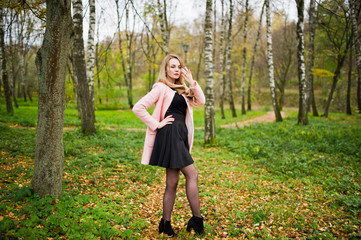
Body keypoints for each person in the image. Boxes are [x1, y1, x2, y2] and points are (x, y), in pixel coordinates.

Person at [132, 54, 206, 237]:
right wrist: (156, 124)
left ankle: (165, 223)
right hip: (170, 136)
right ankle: (197, 219)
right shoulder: (161, 88)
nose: (176, 69)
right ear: (165, 69)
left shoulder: (182, 89)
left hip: (179, 136)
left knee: (172, 182)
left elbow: (201, 101)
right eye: (172, 66)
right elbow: (138, 107)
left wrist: (192, 83)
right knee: (192, 174)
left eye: (178, 66)